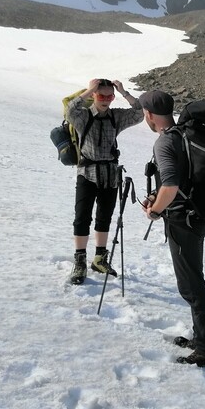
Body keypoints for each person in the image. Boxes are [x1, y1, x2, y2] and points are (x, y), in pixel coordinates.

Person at [139, 90, 205, 367]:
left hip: (182, 220)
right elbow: (181, 181)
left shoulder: (165, 142)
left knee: (191, 286)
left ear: (148, 114)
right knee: (193, 279)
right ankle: (201, 338)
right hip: (196, 216)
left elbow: (171, 185)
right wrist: (157, 199)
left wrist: (156, 209)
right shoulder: (183, 135)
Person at [66, 78, 142, 285]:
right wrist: (90, 90)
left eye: (110, 96)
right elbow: (70, 111)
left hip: (109, 173)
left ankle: (99, 258)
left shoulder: (116, 117)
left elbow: (138, 113)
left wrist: (124, 92)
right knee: (82, 217)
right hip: (87, 173)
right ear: (93, 95)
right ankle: (80, 261)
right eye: (102, 95)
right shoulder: (82, 117)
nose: (106, 99)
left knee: (104, 217)